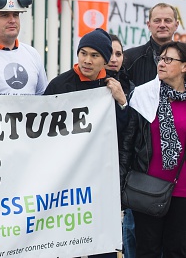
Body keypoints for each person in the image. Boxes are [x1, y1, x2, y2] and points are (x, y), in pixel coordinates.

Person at [44, 28, 128, 258]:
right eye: (83, 53)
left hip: (101, 178)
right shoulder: (59, 85)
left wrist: (122, 103)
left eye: (94, 55)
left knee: (102, 244)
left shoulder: (114, 86)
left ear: (105, 59)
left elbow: (125, 131)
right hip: (66, 178)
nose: (87, 60)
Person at [124, 41, 186, 257]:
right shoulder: (144, 96)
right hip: (147, 188)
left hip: (182, 190)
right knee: (146, 250)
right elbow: (129, 142)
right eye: (160, 59)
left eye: (169, 59)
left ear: (184, 67)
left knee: (176, 250)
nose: (162, 63)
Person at [106, 34, 136, 258]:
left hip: (118, 164)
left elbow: (129, 132)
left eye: (119, 53)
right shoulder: (79, 84)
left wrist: (123, 102)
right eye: (109, 53)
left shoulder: (130, 87)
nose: (114, 59)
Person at [124, 2, 179, 86]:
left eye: (167, 21)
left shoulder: (184, 57)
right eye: (157, 21)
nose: (162, 25)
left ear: (176, 25)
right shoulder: (129, 58)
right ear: (149, 25)